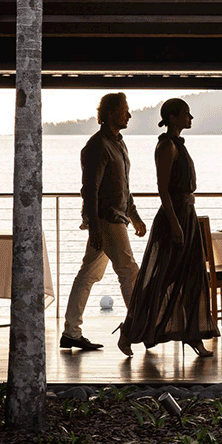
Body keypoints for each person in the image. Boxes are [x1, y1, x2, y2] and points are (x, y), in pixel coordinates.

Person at [117, 98, 218, 357]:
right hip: (174, 218)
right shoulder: (167, 146)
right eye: (186, 114)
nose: (191, 118)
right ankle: (129, 331)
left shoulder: (178, 145)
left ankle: (194, 336)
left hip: (187, 215)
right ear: (173, 118)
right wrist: (175, 225)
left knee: (194, 276)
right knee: (160, 280)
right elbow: (163, 189)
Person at [60, 93, 147, 351]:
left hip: (116, 217)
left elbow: (123, 187)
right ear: (110, 113)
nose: (129, 115)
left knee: (88, 274)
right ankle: (139, 327)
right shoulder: (97, 146)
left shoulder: (118, 144)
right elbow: (90, 189)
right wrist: (95, 226)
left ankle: (71, 332)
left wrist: (135, 216)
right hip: (107, 220)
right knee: (129, 272)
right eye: (124, 110)